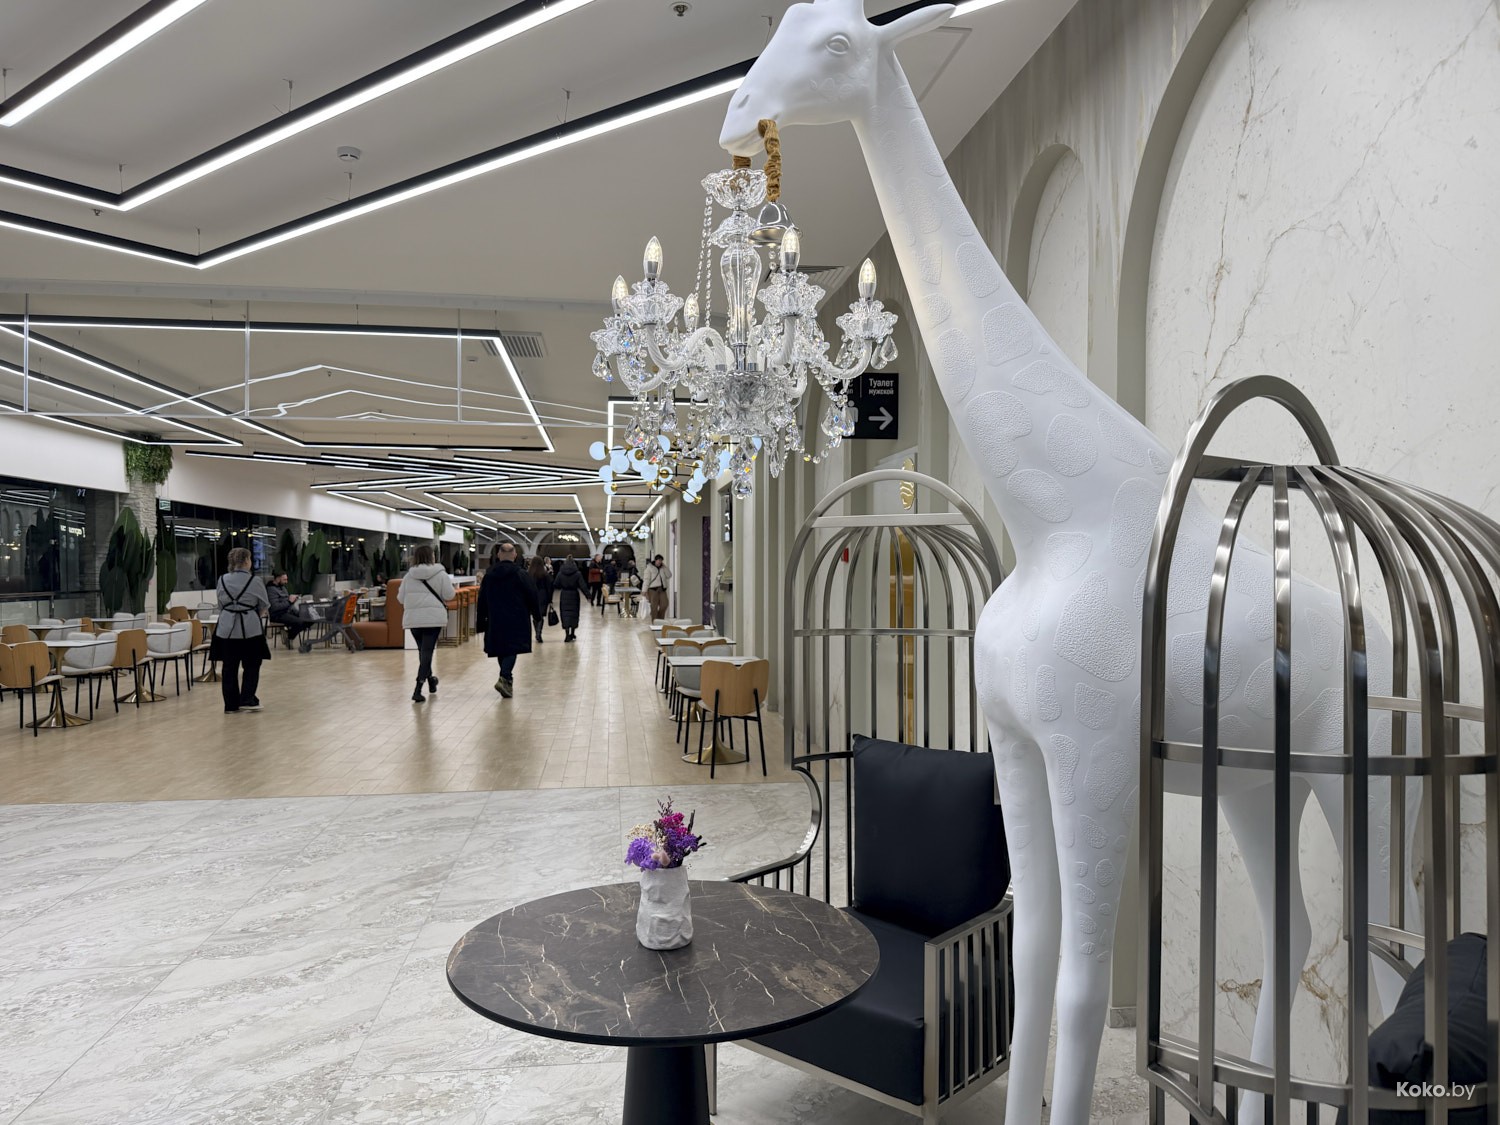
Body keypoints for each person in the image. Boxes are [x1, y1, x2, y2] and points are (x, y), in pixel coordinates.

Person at [477, 541, 540, 698]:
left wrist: (481, 621)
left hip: (495, 618)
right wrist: (537, 615)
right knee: (512, 648)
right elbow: (532, 595)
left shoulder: (489, 575)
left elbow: (482, 599)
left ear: (499, 555)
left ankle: (507, 681)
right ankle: (505, 677)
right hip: (517, 617)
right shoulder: (521, 574)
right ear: (515, 555)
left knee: (501, 648)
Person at [212, 547, 270, 714]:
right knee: (252, 664)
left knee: (229, 667)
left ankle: (230, 705)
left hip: (226, 629)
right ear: (246, 561)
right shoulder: (255, 581)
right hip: (250, 629)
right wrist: (253, 614)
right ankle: (247, 699)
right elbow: (264, 605)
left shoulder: (222, 579)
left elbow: (221, 604)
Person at [397, 545, 455, 703]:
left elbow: (400, 599)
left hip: (414, 619)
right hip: (433, 619)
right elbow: (449, 595)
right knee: (427, 652)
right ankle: (417, 689)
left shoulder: (408, 576)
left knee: (423, 652)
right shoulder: (441, 574)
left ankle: (431, 681)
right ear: (432, 557)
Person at [266, 573, 308, 648]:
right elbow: (275, 607)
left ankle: (289, 632)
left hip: (288, 611)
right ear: (278, 579)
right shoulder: (271, 590)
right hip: (278, 614)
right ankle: (290, 637)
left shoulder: (283, 588)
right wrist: (289, 602)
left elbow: (288, 602)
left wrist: (293, 601)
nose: (286, 582)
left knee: (309, 618)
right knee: (299, 622)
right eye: (284, 580)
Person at [552, 556, 584, 642]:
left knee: (565, 614)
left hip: (564, 595)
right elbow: (583, 585)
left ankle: (567, 635)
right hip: (574, 595)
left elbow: (556, 584)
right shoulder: (577, 573)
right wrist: (588, 596)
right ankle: (572, 633)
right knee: (574, 614)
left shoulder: (560, 573)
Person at [527, 556, 553, 643]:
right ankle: (539, 632)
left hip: (531, 595)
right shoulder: (544, 574)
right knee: (541, 615)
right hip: (542, 596)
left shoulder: (528, 574)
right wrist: (550, 599)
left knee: (534, 615)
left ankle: (537, 632)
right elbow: (549, 587)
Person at [643, 553, 672, 621]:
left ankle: (660, 619)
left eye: (661, 560)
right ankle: (655, 621)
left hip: (662, 589)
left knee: (664, 604)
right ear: (655, 560)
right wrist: (644, 590)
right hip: (652, 590)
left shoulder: (663, 568)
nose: (659, 562)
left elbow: (669, 575)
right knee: (654, 607)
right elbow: (646, 580)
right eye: (658, 560)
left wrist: (665, 567)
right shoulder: (649, 568)